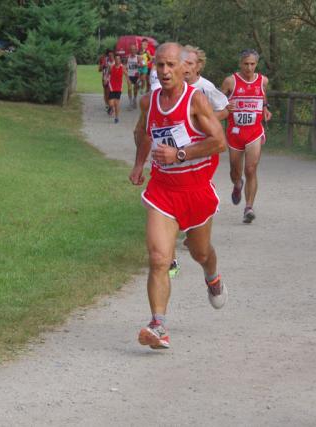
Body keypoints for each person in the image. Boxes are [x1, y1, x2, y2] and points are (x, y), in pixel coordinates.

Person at [129, 43, 227, 350]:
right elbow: (145, 133)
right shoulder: (150, 101)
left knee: (199, 253)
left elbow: (219, 142)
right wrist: (138, 164)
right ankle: (158, 325)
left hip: (195, 190)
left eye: (171, 65)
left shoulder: (195, 100)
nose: (165, 71)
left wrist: (180, 153)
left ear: (185, 68)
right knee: (159, 259)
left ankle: (212, 276)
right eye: (160, 65)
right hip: (163, 190)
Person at [168, 45, 230, 278]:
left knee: (191, 195)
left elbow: (225, 108)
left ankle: (194, 232)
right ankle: (169, 256)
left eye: (190, 64)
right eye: (181, 62)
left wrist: (200, 121)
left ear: (198, 66)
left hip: (201, 153)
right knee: (167, 198)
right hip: (172, 154)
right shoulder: (167, 86)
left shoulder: (204, 88)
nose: (184, 68)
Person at [221, 48, 272, 223]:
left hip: (254, 132)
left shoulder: (263, 80)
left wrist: (266, 108)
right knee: (235, 171)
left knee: (250, 169)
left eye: (252, 64)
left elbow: (263, 97)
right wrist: (226, 107)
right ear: (240, 64)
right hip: (235, 133)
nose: (249, 68)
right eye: (246, 64)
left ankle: (248, 208)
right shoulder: (230, 81)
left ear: (256, 64)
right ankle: (237, 184)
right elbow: (218, 105)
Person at [108, 55, 124, 123]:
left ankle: (116, 117)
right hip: (112, 86)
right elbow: (108, 74)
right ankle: (111, 108)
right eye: (116, 59)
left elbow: (126, 75)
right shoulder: (112, 67)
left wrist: (129, 83)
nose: (117, 60)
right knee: (111, 103)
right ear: (115, 60)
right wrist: (106, 78)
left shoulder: (122, 67)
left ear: (120, 60)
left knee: (117, 104)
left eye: (118, 59)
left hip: (118, 88)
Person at [99, 49, 115, 115]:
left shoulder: (116, 61)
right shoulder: (105, 61)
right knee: (106, 92)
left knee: (111, 92)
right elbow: (99, 69)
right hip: (105, 78)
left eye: (111, 55)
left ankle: (110, 106)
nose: (110, 56)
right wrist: (103, 66)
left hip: (113, 79)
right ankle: (107, 105)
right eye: (109, 55)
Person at [125, 44, 141, 109]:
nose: (132, 51)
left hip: (136, 75)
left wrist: (140, 64)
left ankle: (134, 99)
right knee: (129, 88)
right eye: (131, 49)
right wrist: (126, 73)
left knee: (135, 89)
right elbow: (124, 66)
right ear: (130, 50)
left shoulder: (138, 57)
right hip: (129, 75)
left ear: (136, 50)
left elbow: (143, 65)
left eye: (134, 49)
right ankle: (130, 102)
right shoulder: (127, 57)